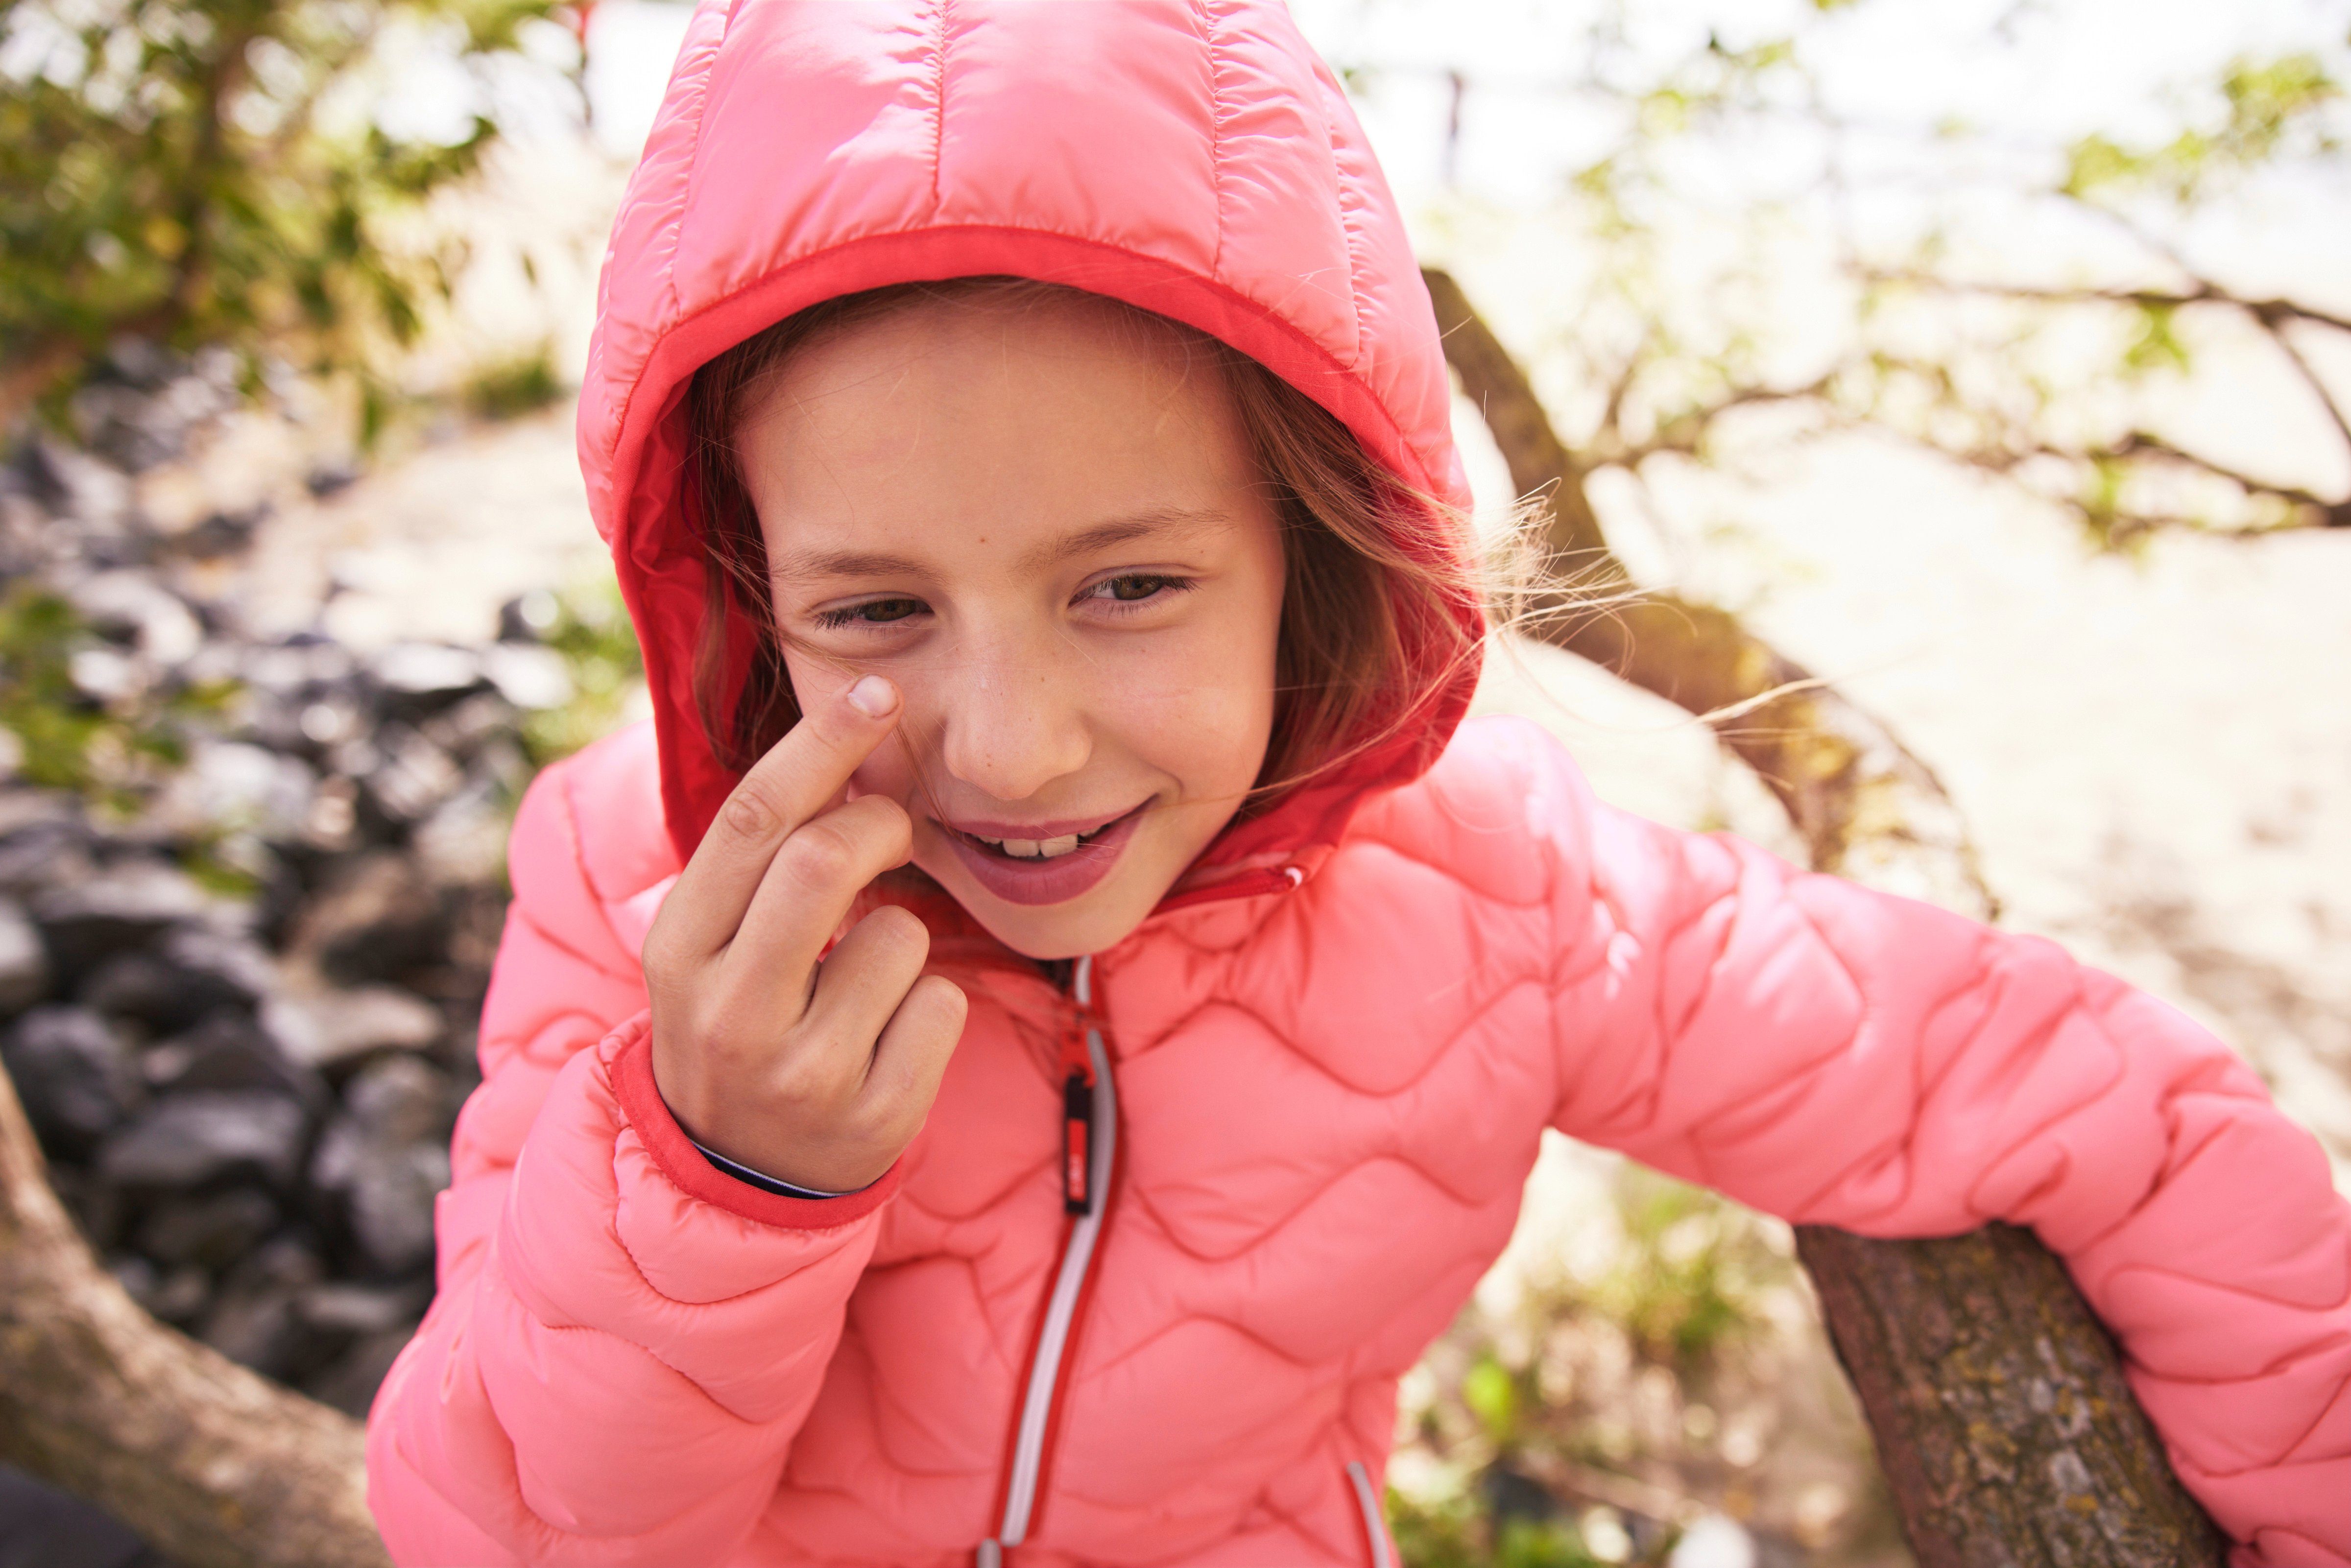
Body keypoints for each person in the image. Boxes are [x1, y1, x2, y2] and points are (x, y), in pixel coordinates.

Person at [362, 3, 2351, 1565]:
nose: (1016, 742)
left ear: (1310, 547)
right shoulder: (643, 892)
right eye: (877, 607)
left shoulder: (1492, 891)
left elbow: (2112, 1107)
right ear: (745, 597)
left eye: (1129, 586)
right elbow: (503, 1533)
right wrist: (723, 1176)